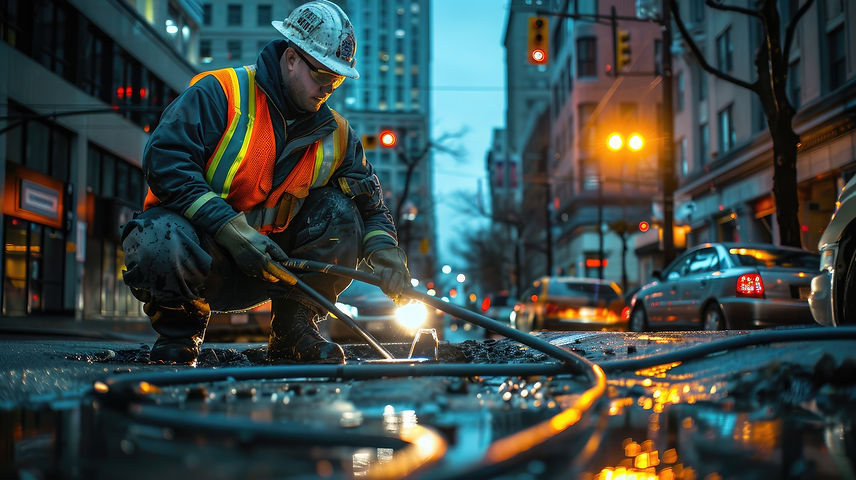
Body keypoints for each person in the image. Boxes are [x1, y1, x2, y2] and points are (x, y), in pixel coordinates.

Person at [120, 0, 410, 365]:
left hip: (280, 270)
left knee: (341, 212)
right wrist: (228, 228)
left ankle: (293, 330)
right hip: (205, 260)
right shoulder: (220, 94)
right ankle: (179, 335)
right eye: (322, 75)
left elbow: (370, 209)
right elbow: (165, 161)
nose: (328, 88)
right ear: (291, 59)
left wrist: (385, 253)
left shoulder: (338, 135)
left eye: (336, 80)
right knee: (156, 235)